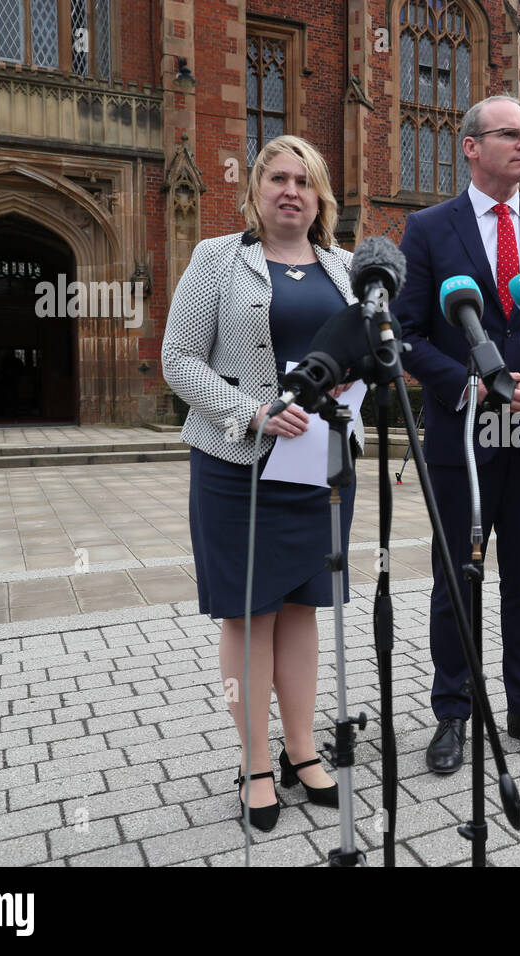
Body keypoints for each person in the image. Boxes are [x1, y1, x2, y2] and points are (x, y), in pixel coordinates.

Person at [163, 135, 363, 829]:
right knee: (249, 615)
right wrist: (252, 411)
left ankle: (303, 752)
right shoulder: (218, 259)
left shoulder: (344, 269)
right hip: (238, 467)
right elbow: (179, 360)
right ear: (255, 190)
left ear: (320, 197)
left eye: (304, 181)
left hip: (321, 469)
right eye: (277, 178)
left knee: (304, 608)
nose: (291, 192)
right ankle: (254, 761)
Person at [394, 94, 520, 773]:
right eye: (511, 134)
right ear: (472, 147)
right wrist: (465, 383)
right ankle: (453, 713)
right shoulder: (427, 229)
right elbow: (408, 333)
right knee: (458, 581)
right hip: (463, 434)